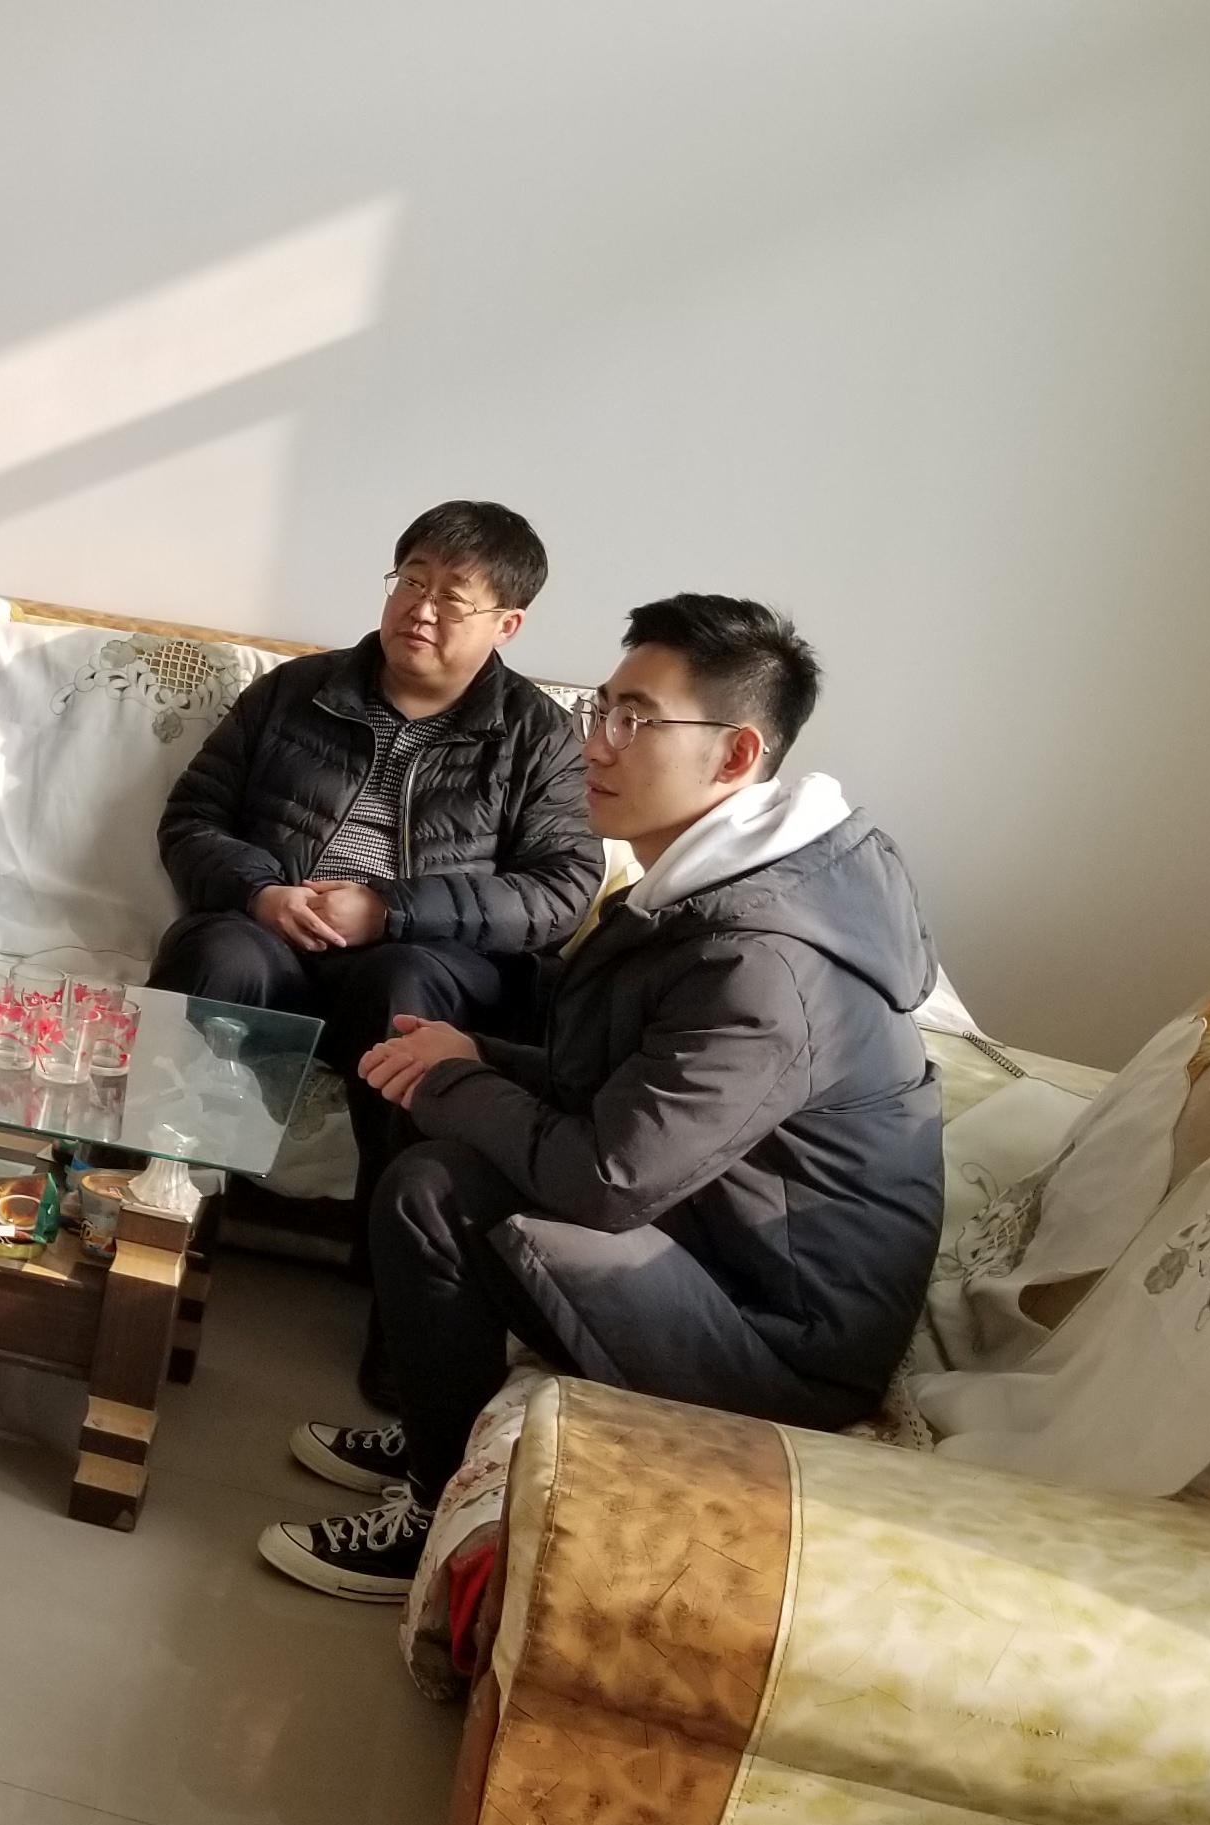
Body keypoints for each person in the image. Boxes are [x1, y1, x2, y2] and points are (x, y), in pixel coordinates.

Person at [257, 595, 946, 1602]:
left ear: (735, 753)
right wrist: (473, 1054)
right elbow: (623, 1089)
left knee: (438, 1187)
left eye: (636, 720)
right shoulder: (705, 893)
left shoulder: (765, 964)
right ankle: (438, 1429)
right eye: (601, 709)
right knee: (440, 1106)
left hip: (781, 1346)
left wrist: (456, 1079)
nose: (595, 744)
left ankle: (430, 1513)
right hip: (716, 1245)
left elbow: (608, 1179)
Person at [151, 501, 598, 1240]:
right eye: (411, 582)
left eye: (453, 598)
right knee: (217, 954)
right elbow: (193, 817)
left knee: (402, 985)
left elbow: (561, 891)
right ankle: (141, 1219)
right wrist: (261, 893)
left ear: (507, 624)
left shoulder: (538, 736)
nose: (421, 610)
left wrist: (391, 910)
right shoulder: (296, 692)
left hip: (421, 961)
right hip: (275, 943)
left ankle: (390, 1261)